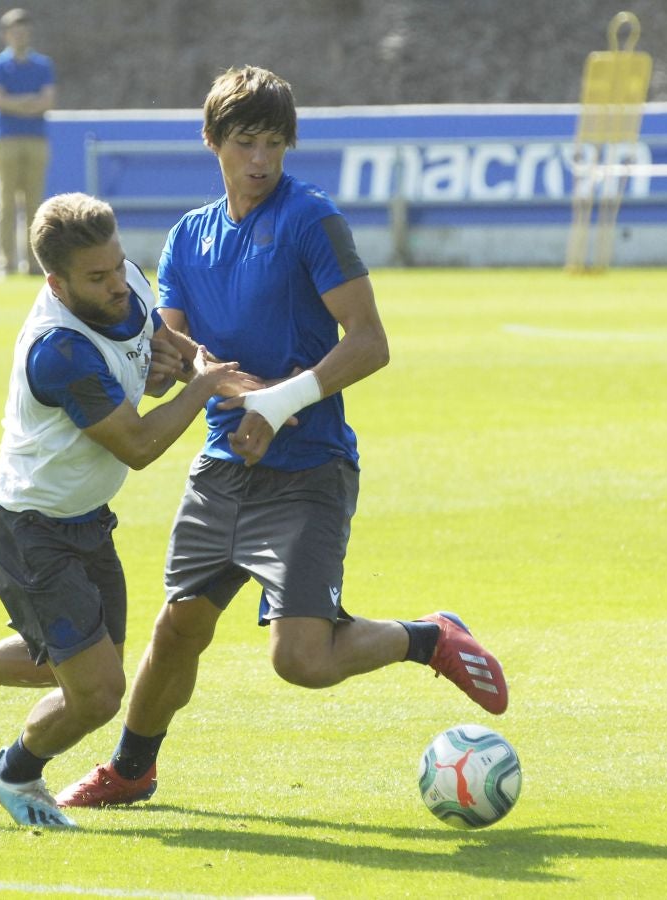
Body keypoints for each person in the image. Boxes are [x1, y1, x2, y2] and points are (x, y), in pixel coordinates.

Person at [53, 66, 509, 809]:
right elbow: (173, 356)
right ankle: (131, 769)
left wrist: (282, 401)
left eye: (273, 143)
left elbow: (368, 342)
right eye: (244, 143)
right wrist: (205, 379)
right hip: (222, 467)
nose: (259, 160)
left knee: (301, 660)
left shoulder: (310, 220)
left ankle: (426, 637)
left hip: (308, 470)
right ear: (212, 142)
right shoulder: (187, 239)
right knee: (178, 628)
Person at [0, 192, 259, 829]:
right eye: (97, 277)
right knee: (99, 692)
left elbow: (157, 338)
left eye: (118, 266)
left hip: (84, 517)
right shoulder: (60, 350)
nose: (117, 284)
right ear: (56, 282)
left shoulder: (123, 279)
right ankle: (17, 773)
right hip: (29, 528)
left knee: (81, 659)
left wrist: (188, 360)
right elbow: (136, 445)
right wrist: (204, 386)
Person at [0, 8, 55, 280]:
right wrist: (28, 103)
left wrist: (16, 103)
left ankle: (34, 262)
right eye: (15, 30)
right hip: (5, 138)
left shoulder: (42, 64)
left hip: (36, 139)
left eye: (24, 30)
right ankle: (5, 263)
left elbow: (47, 100)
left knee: (35, 204)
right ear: (5, 35)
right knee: (5, 203)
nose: (20, 35)